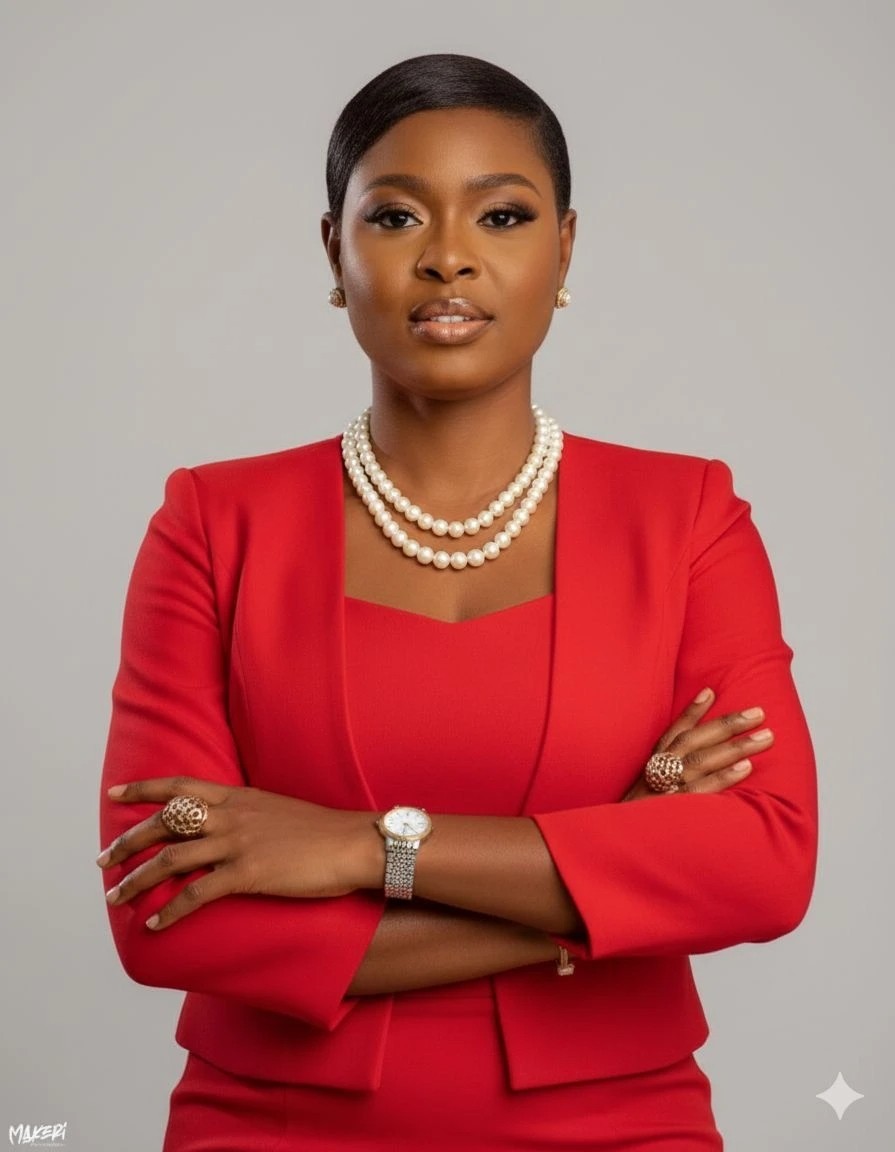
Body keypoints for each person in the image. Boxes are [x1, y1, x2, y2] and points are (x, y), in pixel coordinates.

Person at [96, 52, 818, 1151]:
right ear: (332, 252)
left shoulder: (687, 520)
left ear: (564, 248)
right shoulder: (210, 526)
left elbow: (761, 864)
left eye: (503, 214)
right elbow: (163, 918)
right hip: (267, 1128)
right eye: (392, 217)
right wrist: (601, 889)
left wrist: (358, 848)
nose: (446, 258)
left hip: (618, 1128)